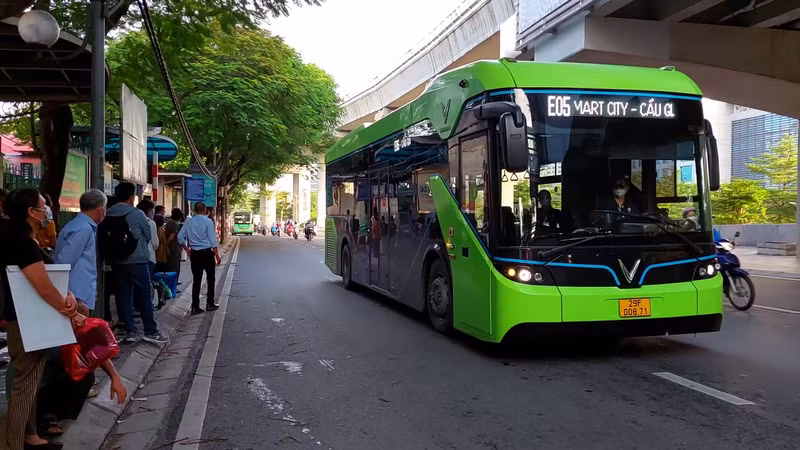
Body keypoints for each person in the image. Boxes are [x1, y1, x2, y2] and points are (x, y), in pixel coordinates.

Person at [0, 188, 86, 450]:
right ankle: (11, 443)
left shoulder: (18, 237)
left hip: (23, 320)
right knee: (24, 389)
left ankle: (29, 436)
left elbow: (50, 275)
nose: (46, 210)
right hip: (27, 322)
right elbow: (44, 286)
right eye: (42, 205)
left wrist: (68, 295)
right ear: (31, 212)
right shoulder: (21, 243)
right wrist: (70, 310)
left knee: (27, 384)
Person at [105, 182, 167, 344]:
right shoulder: (137, 214)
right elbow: (147, 236)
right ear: (131, 197)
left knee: (124, 295)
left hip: (117, 261)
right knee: (145, 296)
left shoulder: (108, 213)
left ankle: (130, 331)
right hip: (137, 261)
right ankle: (150, 331)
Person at [52, 189, 107, 312]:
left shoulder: (79, 225)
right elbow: (64, 262)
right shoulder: (83, 229)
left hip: (77, 293)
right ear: (100, 209)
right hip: (77, 295)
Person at [178, 202, 221, 315]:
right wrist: (217, 254)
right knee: (210, 278)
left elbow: (179, 237)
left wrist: (187, 249)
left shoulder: (188, 222)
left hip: (195, 254)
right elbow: (212, 240)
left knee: (197, 280)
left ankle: (195, 306)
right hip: (207, 253)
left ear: (194, 210)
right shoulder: (208, 221)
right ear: (205, 209)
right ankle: (210, 303)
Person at [136, 199, 160, 278]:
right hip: (149, 257)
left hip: (135, 258)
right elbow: (155, 243)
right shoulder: (151, 223)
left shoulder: (133, 220)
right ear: (148, 210)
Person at [164, 209, 184, 284]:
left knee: (173, 266)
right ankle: (173, 283)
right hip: (174, 248)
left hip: (173, 248)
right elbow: (172, 236)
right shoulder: (174, 224)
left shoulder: (169, 223)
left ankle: (174, 282)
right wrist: (167, 245)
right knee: (174, 267)